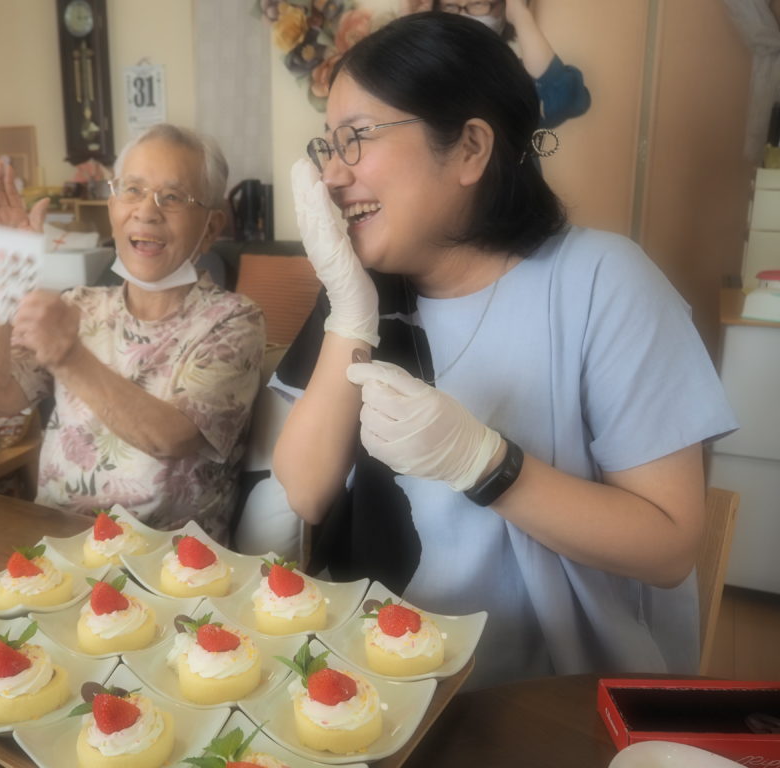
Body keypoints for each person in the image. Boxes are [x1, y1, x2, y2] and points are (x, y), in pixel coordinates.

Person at [271, 12, 735, 688]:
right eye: (327, 145)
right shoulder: (361, 292)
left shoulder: (603, 284)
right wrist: (349, 312)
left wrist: (486, 465)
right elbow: (306, 493)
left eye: (358, 138)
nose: (333, 176)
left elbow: (669, 547)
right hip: (376, 688)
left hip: (547, 699)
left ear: (470, 148)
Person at [0, 124, 266, 543]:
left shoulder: (234, 320)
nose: (147, 212)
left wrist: (69, 357)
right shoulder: (79, 305)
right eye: (132, 190)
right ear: (112, 208)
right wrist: (5, 271)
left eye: (172, 197)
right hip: (57, 546)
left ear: (211, 228)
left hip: (165, 562)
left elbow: (171, 438)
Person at [403, 0, 590, 129]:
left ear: (504, 7)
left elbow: (563, 101)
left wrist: (520, 15)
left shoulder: (515, 76)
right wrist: (411, 25)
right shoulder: (429, 70)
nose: (462, 16)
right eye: (450, 6)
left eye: (478, 3)